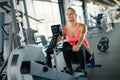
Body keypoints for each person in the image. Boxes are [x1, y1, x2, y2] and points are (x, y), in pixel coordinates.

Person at [57, 7, 92, 74]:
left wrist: (78, 45)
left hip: (85, 54)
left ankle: (82, 69)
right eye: (67, 14)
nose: (68, 16)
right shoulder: (64, 29)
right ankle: (69, 68)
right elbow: (58, 39)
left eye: (70, 14)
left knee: (77, 42)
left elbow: (82, 36)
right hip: (73, 54)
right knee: (65, 44)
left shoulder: (82, 26)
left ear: (75, 15)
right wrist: (52, 45)